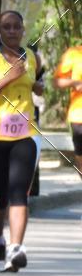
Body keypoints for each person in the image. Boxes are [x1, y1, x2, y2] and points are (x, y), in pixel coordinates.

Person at [0, 10, 44, 272]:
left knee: (19, 192)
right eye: (7, 27)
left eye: (16, 26)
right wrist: (7, 78)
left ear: (23, 30)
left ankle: (16, 248)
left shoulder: (33, 57)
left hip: (27, 135)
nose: (12, 31)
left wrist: (37, 87)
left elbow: (38, 83)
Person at [54, 43, 82, 177]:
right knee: (80, 156)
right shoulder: (74, 53)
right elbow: (57, 82)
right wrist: (75, 83)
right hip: (79, 114)